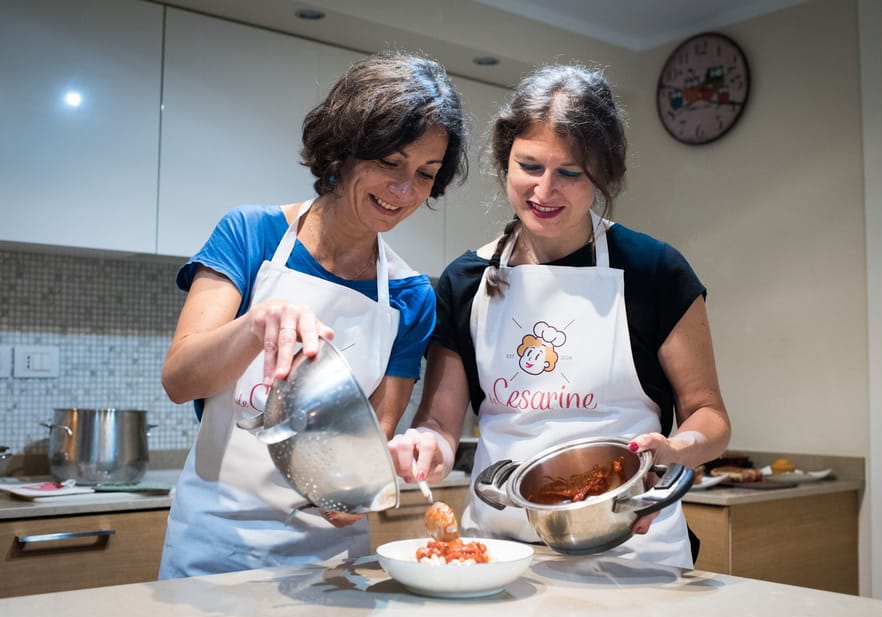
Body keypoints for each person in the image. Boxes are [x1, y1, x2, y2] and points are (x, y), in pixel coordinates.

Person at [389, 64, 731, 569]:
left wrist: (676, 447)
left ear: (602, 175)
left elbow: (712, 417)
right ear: (505, 161)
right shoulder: (465, 281)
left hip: (632, 546)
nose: (544, 190)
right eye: (529, 166)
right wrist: (424, 443)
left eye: (569, 173)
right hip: (504, 552)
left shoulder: (655, 271)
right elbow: (440, 421)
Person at [157, 51, 467, 579]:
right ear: (342, 149)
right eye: (389, 163)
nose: (404, 191)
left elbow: (364, 448)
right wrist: (255, 326)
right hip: (213, 544)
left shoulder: (410, 296)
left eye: (424, 175)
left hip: (330, 561)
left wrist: (357, 489)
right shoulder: (250, 235)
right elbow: (180, 378)